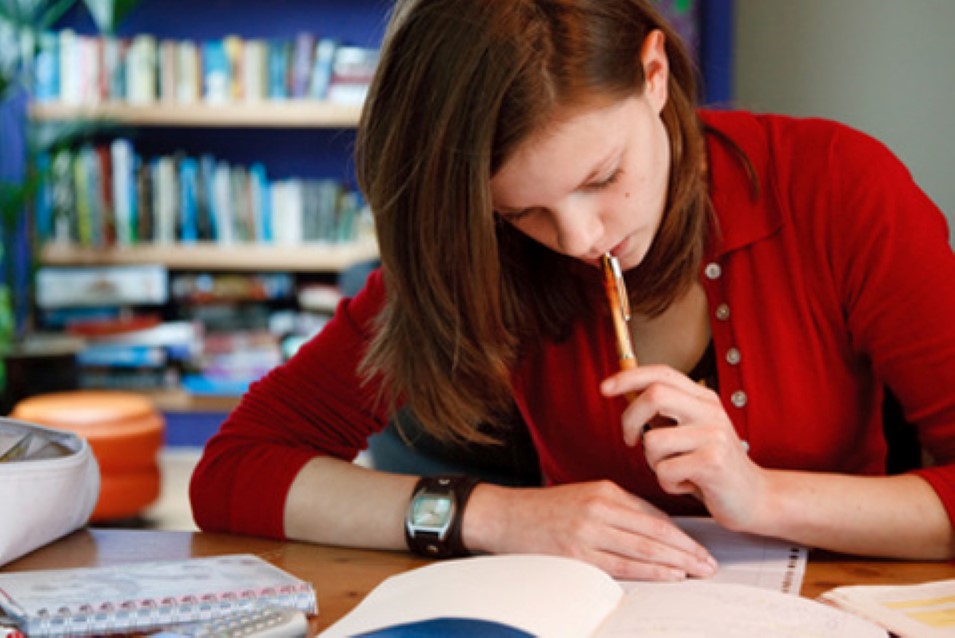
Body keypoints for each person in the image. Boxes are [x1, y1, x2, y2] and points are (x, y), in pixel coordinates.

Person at [190, 0, 955, 581]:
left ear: (654, 76)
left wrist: (764, 498)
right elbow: (235, 470)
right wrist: (490, 515)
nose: (582, 240)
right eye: (523, 210)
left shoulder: (837, 188)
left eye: (602, 177)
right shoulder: (477, 248)